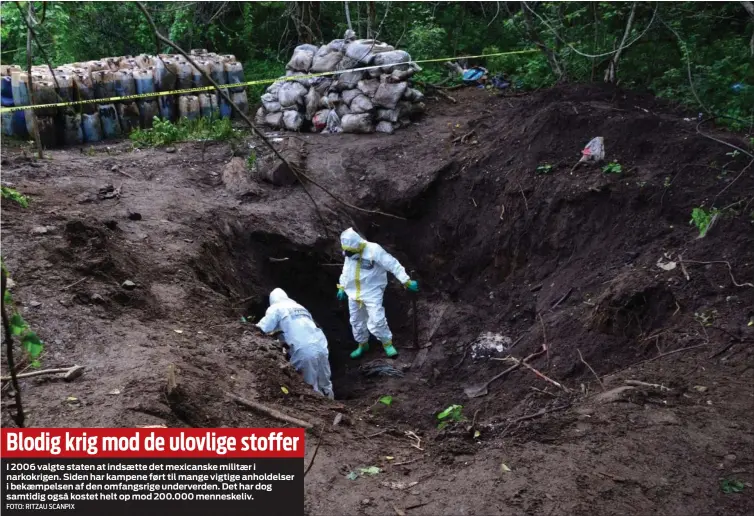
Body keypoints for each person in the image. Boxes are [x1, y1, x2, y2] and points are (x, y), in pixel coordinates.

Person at [336, 228, 419, 359]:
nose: (348, 254)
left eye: (350, 252)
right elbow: (346, 271)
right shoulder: (349, 253)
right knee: (356, 321)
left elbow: (392, 264)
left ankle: (387, 344)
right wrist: (342, 286)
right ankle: (362, 344)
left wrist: (406, 280)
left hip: (372, 291)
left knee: (377, 319)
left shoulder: (373, 250)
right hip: (353, 293)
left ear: (357, 245)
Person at [256, 288, 334, 399]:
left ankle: (316, 414)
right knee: (325, 383)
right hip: (321, 346)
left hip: (303, 350)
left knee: (310, 387)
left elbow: (262, 328)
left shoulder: (275, 308)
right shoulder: (301, 308)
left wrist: (246, 325)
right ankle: (331, 406)